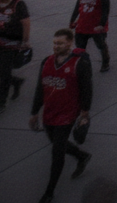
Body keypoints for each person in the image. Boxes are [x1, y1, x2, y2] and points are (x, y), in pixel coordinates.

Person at [28, 30, 93, 203]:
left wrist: (85, 113)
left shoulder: (79, 64)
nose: (57, 46)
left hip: (67, 114)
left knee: (57, 152)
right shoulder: (47, 62)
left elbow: (87, 90)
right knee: (58, 144)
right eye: (55, 43)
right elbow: (40, 89)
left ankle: (49, 192)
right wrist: (34, 112)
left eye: (61, 43)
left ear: (70, 43)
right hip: (50, 113)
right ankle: (81, 156)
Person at [68, 0, 111, 73]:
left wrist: (102, 24)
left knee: (101, 45)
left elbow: (106, 9)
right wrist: (72, 20)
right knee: (79, 49)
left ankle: (106, 62)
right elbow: (77, 7)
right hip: (82, 25)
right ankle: (82, 66)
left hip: (96, 26)